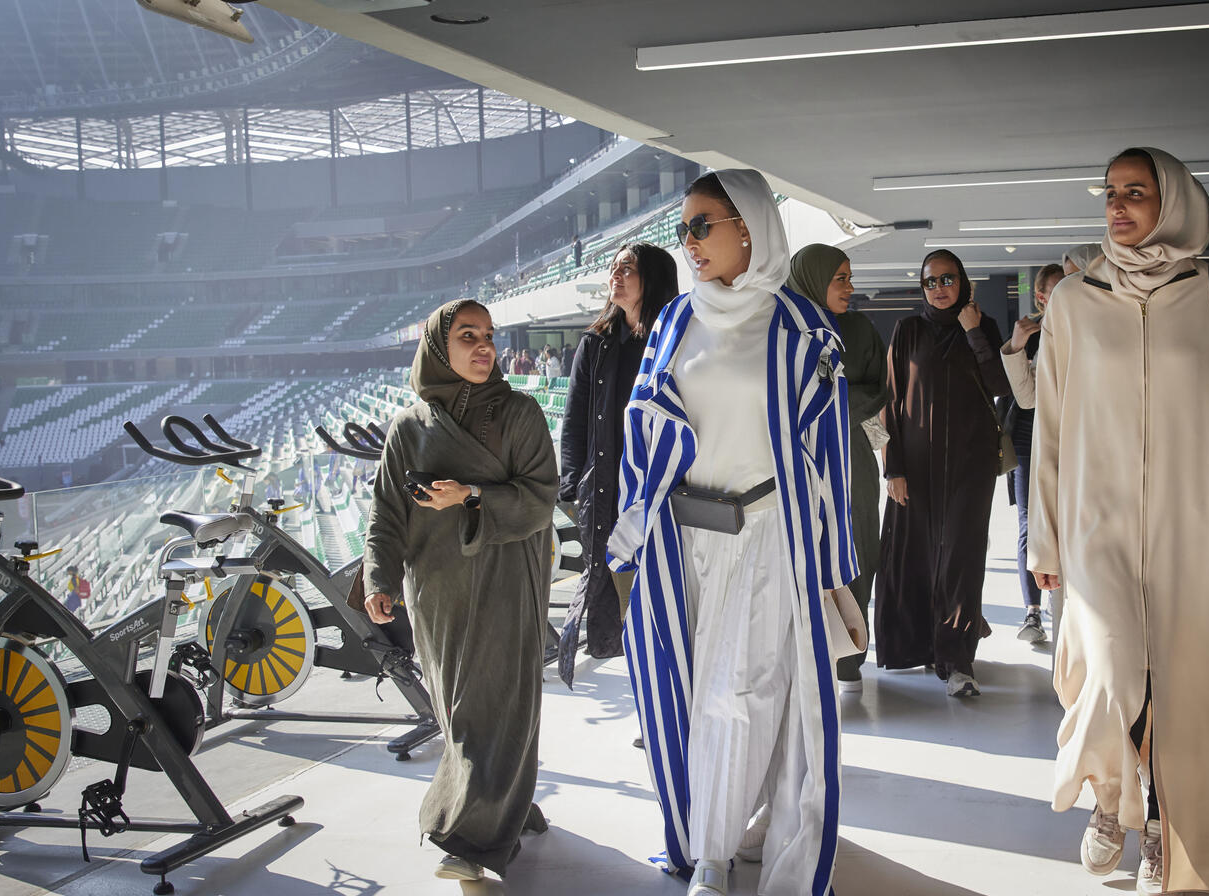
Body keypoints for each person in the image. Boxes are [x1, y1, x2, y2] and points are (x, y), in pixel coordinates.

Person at [1029, 147, 1209, 895]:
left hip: (1199, 524)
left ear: (1171, 201)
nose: (1117, 205)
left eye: (1135, 191)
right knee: (1111, 676)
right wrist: (1045, 538)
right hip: (1098, 524)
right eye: (1111, 191)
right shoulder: (1074, 301)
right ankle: (1114, 796)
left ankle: (1161, 827)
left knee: (1191, 689)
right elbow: (1050, 427)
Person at [606, 170, 855, 896]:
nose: (688, 242)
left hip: (766, 535)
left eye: (701, 225)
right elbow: (643, 421)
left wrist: (834, 566)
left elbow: (831, 453)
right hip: (683, 541)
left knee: (738, 692)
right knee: (687, 691)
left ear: (748, 226)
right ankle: (716, 825)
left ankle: (712, 857)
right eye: (681, 228)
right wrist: (633, 521)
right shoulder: (676, 320)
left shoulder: (803, 330)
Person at [361, 299, 559, 885]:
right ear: (437, 348)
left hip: (508, 582)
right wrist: (378, 578)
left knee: (502, 704)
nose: (484, 346)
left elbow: (540, 499)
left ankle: (470, 839)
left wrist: (471, 495)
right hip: (438, 591)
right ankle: (508, 806)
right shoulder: (408, 428)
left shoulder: (520, 414)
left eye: (489, 335)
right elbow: (386, 515)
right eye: (467, 335)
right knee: (459, 712)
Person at [878, 248, 1011, 697]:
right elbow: (889, 402)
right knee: (914, 555)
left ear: (964, 282)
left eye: (947, 279)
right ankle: (923, 644)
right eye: (930, 281)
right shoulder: (908, 330)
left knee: (961, 558)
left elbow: (1000, 386)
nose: (939, 288)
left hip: (971, 466)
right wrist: (892, 467)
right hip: (914, 468)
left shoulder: (982, 327)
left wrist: (973, 332)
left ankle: (958, 661)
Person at [556, 241, 679, 681]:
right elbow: (575, 420)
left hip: (663, 491)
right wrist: (572, 485)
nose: (616, 275)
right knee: (619, 596)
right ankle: (645, 687)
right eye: (614, 267)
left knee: (668, 595)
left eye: (628, 268)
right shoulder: (595, 344)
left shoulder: (675, 340)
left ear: (654, 278)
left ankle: (668, 683)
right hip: (608, 491)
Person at [788, 242, 889, 692]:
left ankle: (849, 658)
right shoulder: (783, 329)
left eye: (850, 278)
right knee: (806, 553)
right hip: (799, 460)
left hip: (852, 459)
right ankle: (806, 660)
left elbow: (878, 391)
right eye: (840, 279)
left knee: (856, 549)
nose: (850, 288)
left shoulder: (860, 329)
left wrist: (827, 399)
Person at [1002, 262, 1064, 644]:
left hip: (1069, 437)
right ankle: (1033, 611)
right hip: (1029, 436)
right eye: (1058, 289)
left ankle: (1067, 603)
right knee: (1030, 521)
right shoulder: (1032, 336)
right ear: (1040, 297)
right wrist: (1016, 347)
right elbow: (1027, 399)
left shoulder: (1084, 328)